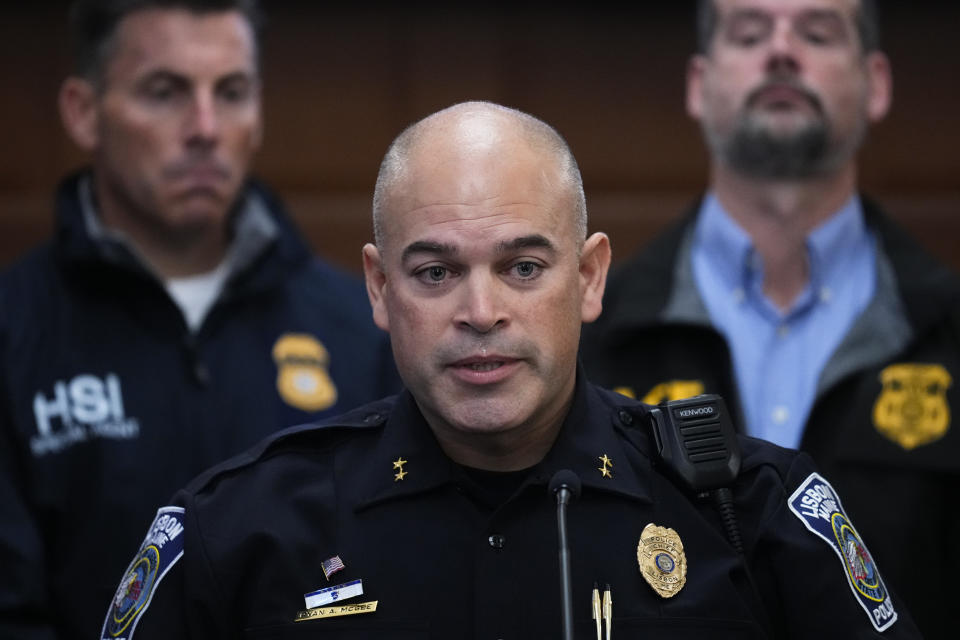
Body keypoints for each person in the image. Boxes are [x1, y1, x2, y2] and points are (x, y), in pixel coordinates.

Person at [101, 100, 921, 639]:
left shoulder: (750, 514)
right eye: (434, 273)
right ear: (380, 290)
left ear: (591, 277)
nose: (481, 311)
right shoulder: (239, 533)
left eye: (524, 267)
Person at [0, 1, 400, 638]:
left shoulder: (365, 328)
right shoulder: (16, 332)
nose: (206, 127)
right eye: (166, 92)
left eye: (233, 92)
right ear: (83, 112)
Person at [580, 0, 960, 638]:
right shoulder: (591, 333)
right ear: (699, 85)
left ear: (877, 84)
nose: (782, 50)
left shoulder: (946, 328)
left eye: (817, 32)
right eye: (750, 32)